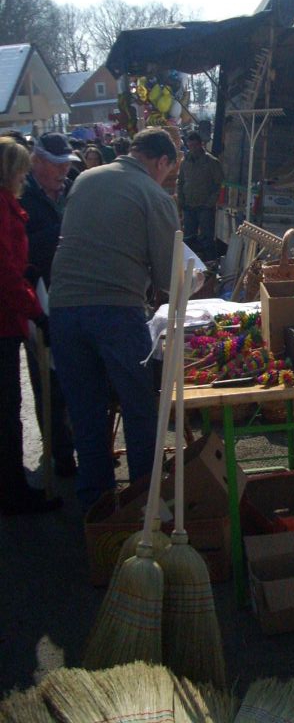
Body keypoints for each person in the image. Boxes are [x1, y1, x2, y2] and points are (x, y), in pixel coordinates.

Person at [49, 127, 181, 512]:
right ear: (161, 162)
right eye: (168, 171)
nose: (166, 178)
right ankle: (144, 501)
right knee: (139, 408)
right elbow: (167, 276)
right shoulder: (154, 195)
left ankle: (97, 507)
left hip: (64, 309)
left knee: (86, 411)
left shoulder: (86, 179)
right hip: (115, 310)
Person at [0, 137, 63, 515]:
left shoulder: (10, 206)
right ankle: (12, 492)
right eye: (21, 169)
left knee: (7, 407)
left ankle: (11, 486)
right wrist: (36, 312)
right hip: (4, 321)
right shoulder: (4, 208)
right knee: (7, 409)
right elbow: (4, 274)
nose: (25, 176)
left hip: (9, 315)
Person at [21, 133, 79, 477]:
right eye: (57, 165)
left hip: (71, 290)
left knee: (74, 374)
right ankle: (60, 452)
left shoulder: (69, 188)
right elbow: (20, 247)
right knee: (47, 381)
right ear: (37, 162)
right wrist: (57, 236)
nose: (64, 171)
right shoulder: (23, 194)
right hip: (37, 296)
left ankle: (80, 443)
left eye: (67, 164)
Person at [177, 129, 224, 260]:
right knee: (188, 240)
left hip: (205, 208)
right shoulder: (185, 161)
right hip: (189, 207)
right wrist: (181, 201)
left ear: (201, 144)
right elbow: (180, 182)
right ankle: (188, 268)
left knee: (207, 240)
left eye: (194, 145)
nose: (192, 148)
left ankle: (210, 267)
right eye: (189, 146)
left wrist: (210, 203)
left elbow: (219, 184)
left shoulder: (211, 162)